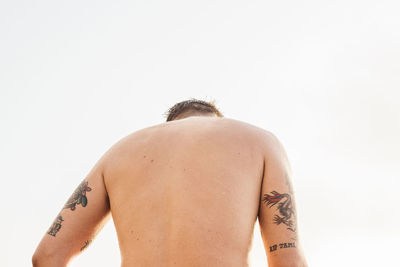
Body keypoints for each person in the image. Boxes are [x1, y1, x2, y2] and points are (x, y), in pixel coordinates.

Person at [32, 98, 308, 267]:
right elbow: (287, 261)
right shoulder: (258, 140)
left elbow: (46, 257)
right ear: (214, 117)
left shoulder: (120, 152)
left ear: (169, 123)